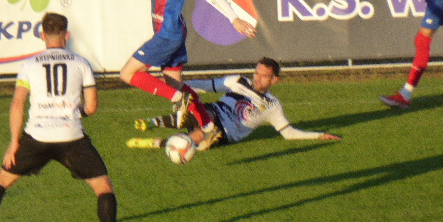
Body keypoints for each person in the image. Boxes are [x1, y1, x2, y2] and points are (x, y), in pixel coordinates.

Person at [0, 12, 128, 222]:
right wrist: (72, 114)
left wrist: (14, 142)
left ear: (42, 35)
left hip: (37, 136)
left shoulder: (29, 65)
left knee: (2, 182)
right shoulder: (81, 63)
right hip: (71, 137)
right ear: (67, 36)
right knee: (103, 188)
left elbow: (17, 104)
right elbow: (91, 107)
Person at [83, 0, 256, 142]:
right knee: (173, 83)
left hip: (169, 33)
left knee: (128, 74)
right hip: (171, 32)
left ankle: (180, 99)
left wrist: (233, 19)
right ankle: (208, 125)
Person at [127, 57, 341, 151]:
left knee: (198, 138)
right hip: (211, 113)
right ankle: (152, 123)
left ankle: (158, 142)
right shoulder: (237, 81)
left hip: (225, 133)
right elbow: (205, 86)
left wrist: (318, 135)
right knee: (197, 110)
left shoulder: (272, 105)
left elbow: (288, 133)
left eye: (264, 76)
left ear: (274, 80)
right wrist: (175, 86)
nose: (258, 78)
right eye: (257, 73)